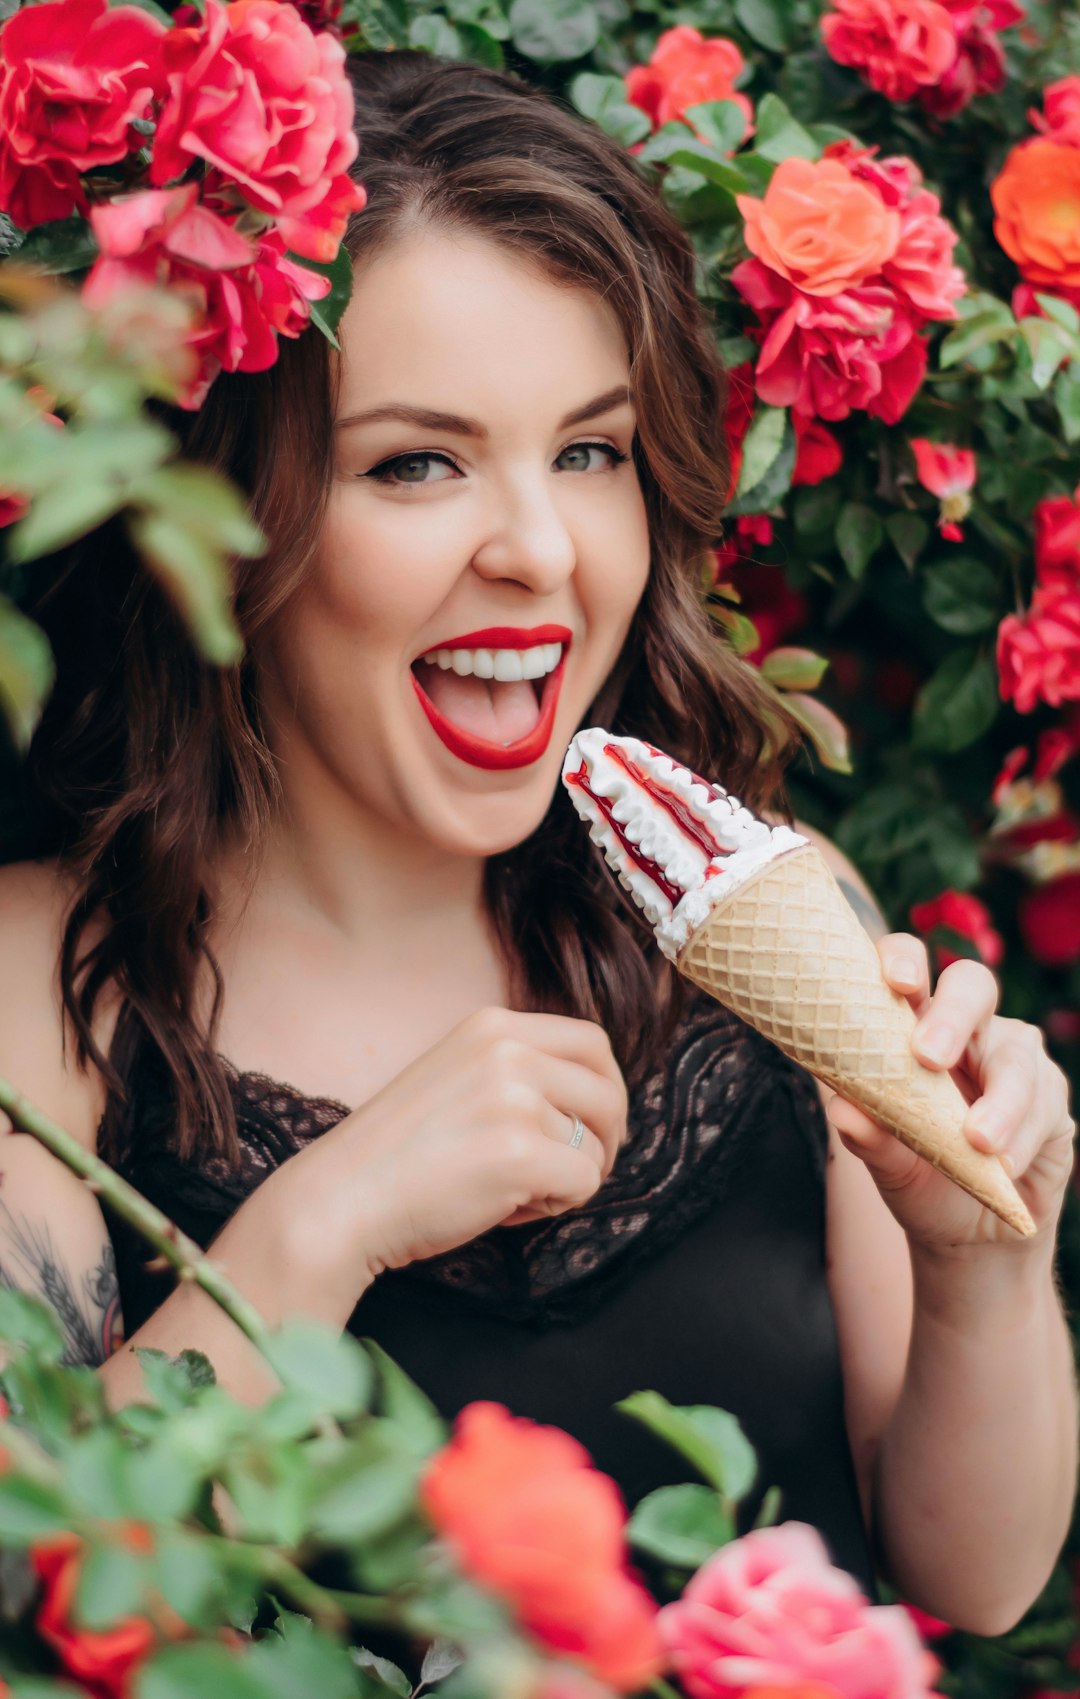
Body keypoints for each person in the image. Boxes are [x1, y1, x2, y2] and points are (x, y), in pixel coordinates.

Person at [0, 50, 1075, 1640]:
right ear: (230, 507)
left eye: (591, 450)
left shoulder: (784, 908)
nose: (544, 551)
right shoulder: (42, 984)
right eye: (414, 463)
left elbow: (977, 1583)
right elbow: (41, 1587)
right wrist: (326, 1223)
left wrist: (982, 1261)